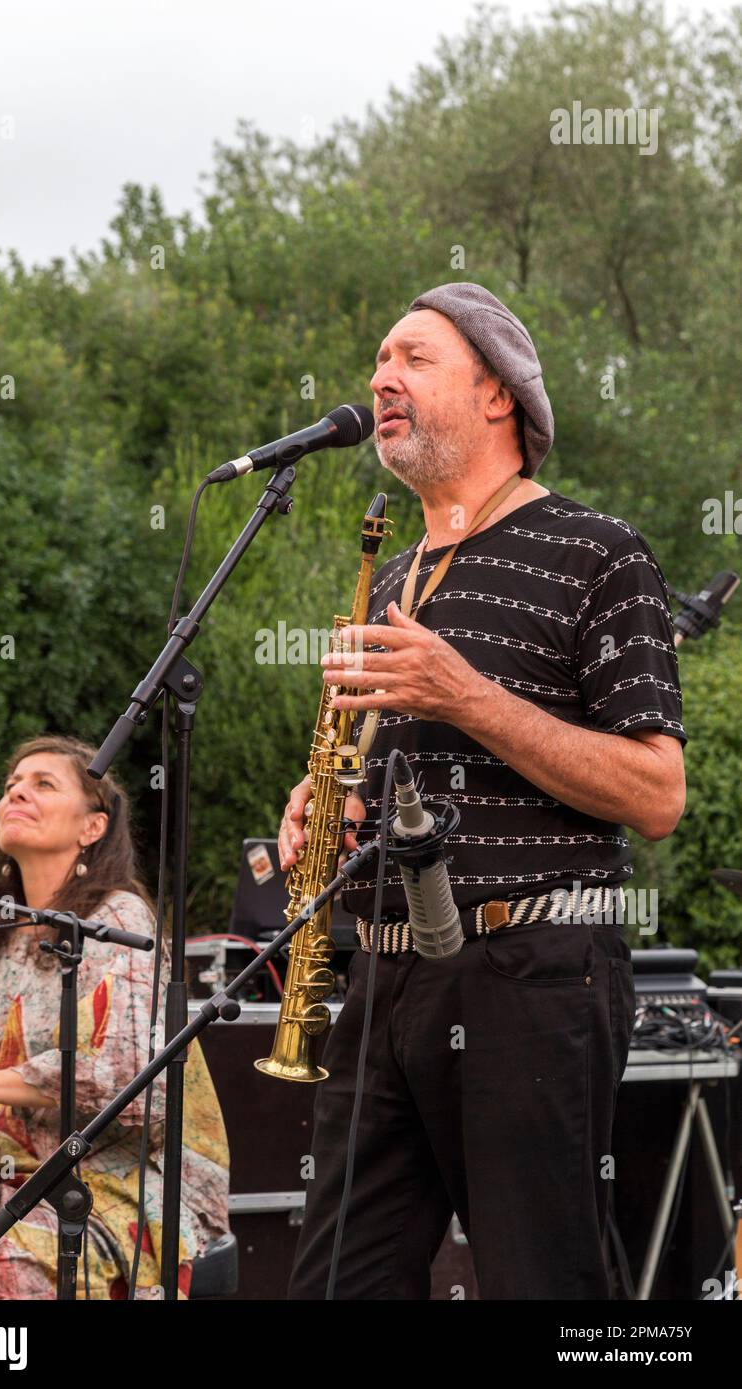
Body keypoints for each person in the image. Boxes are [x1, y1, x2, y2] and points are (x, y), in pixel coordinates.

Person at [279, 282, 687, 1300]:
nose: (379, 378)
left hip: (529, 970)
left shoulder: (598, 551)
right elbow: (405, 766)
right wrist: (325, 803)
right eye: (377, 360)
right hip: (382, 972)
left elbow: (653, 792)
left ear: (498, 393)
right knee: (334, 1282)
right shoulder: (394, 577)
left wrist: (465, 694)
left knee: (540, 1282)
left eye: (411, 357)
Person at [0, 734, 230, 1300]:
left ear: (92, 826)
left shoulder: (118, 921)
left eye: (43, 784)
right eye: (12, 785)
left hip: (110, 1194)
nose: (17, 793)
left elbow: (138, 1085)